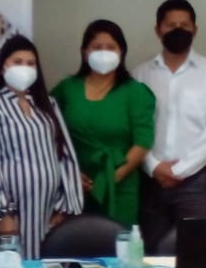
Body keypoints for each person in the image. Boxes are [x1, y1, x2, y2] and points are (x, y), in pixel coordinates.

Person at [0, 36, 85, 259]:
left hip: (47, 209)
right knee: (10, 267)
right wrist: (1, 213)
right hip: (12, 210)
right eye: (17, 62)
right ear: (3, 66)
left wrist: (65, 205)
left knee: (44, 265)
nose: (24, 68)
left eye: (30, 63)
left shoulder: (48, 104)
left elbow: (65, 155)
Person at [134, 0, 206, 252]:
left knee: (197, 253)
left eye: (184, 25)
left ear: (195, 30)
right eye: (170, 25)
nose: (178, 30)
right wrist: (154, 167)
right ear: (158, 30)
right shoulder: (140, 74)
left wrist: (180, 170)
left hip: (196, 183)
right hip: (150, 181)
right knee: (151, 255)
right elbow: (134, 130)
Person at [49, 20, 155, 227]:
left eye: (111, 47)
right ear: (84, 52)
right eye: (97, 47)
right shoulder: (67, 88)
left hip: (120, 186)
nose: (104, 53)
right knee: (73, 242)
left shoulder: (135, 92)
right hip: (73, 186)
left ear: (122, 52)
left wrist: (110, 179)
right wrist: (68, 173)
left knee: (118, 241)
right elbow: (46, 131)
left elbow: (142, 142)